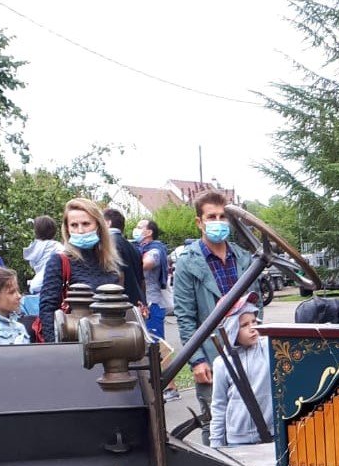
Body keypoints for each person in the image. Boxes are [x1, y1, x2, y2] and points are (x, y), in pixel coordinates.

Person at [173, 190, 253, 443]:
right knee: (215, 422)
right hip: (211, 353)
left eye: (222, 216)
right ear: (200, 222)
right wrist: (196, 360)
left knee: (253, 417)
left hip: (246, 353)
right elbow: (186, 317)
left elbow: (256, 304)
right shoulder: (188, 263)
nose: (218, 222)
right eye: (211, 217)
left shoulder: (243, 258)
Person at [39, 199, 121, 342]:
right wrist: (55, 347)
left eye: (86, 224)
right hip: (72, 342)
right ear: (67, 229)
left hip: (109, 342)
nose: (80, 231)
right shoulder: (59, 261)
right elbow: (47, 310)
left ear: (98, 226)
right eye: (74, 225)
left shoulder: (110, 262)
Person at [209, 306, 274, 448]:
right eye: (244, 325)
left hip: (272, 433)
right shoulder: (222, 363)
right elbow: (219, 405)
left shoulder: (270, 349)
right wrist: (216, 443)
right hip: (238, 439)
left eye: (254, 321)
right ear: (231, 329)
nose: (252, 328)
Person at [133, 217, 179, 397]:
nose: (136, 229)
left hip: (153, 305)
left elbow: (146, 264)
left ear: (149, 232)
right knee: (149, 347)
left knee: (158, 347)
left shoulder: (155, 250)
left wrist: (129, 258)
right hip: (146, 304)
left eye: (139, 227)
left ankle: (170, 387)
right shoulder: (140, 248)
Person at [103, 208, 147, 313]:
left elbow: (118, 276)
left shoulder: (108, 245)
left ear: (108, 223)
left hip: (119, 306)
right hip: (135, 302)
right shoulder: (133, 247)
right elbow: (142, 280)